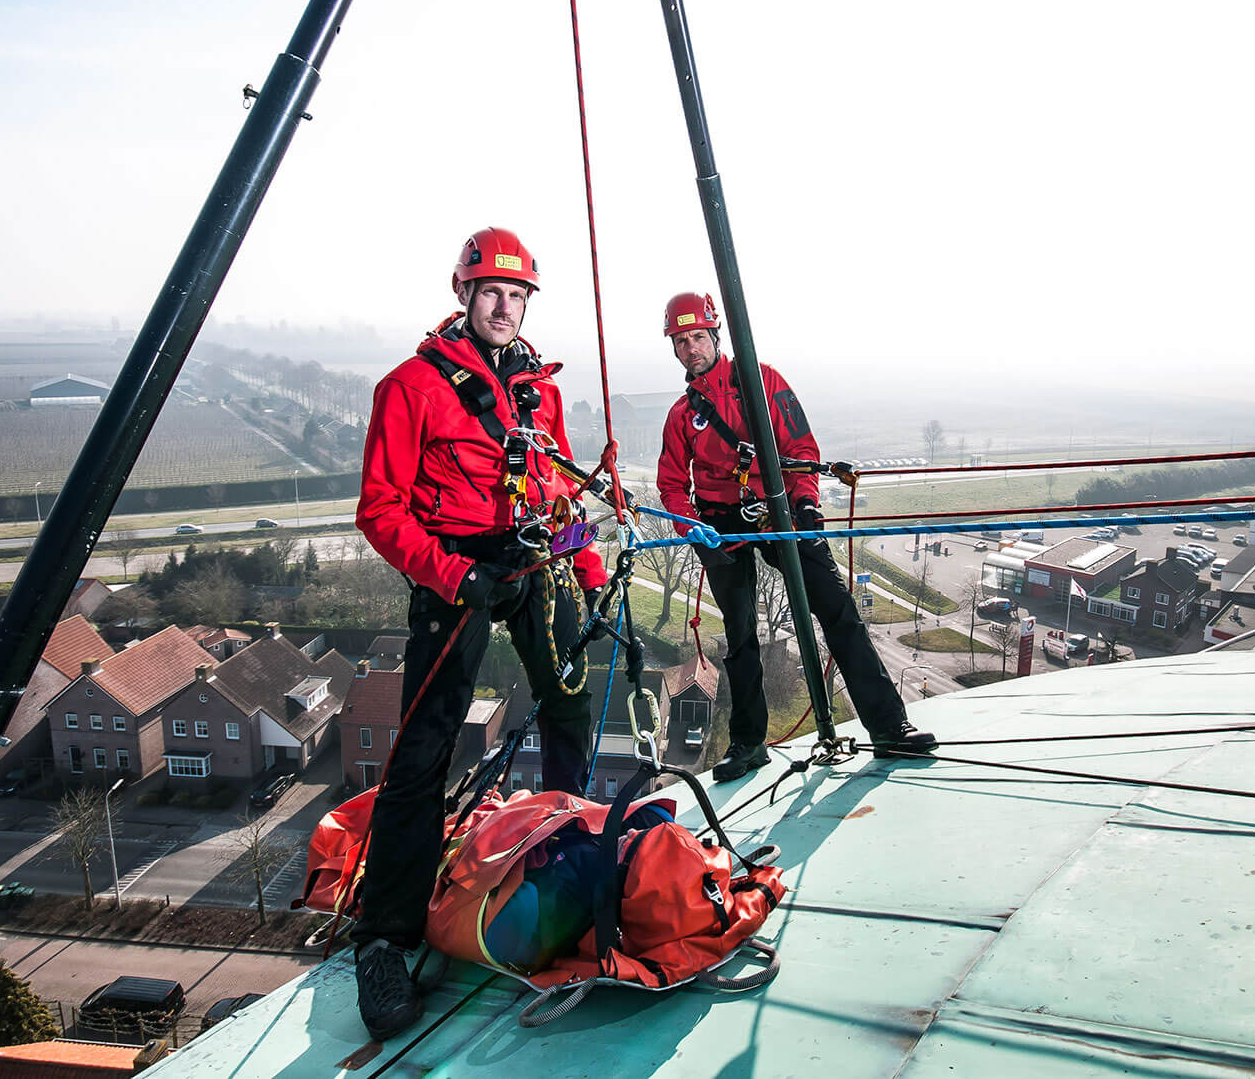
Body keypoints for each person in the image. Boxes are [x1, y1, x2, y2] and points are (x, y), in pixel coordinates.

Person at [350, 227, 608, 1039]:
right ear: (464, 295)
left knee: (570, 708)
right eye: (493, 292)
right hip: (453, 567)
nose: (506, 306)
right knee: (424, 745)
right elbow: (380, 509)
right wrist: (456, 575)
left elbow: (560, 487)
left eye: (519, 295)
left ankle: (569, 875)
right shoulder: (412, 386)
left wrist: (589, 567)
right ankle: (384, 940)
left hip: (532, 558)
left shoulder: (541, 389)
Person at [655, 291, 936, 782]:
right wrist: (693, 527)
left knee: (837, 610)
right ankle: (748, 743)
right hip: (720, 523)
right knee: (740, 638)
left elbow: (801, 448)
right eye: (680, 341)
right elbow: (672, 483)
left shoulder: (763, 382)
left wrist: (805, 505)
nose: (690, 348)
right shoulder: (683, 415)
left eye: (697, 336)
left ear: (715, 336)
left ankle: (889, 725)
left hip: (778, 510)